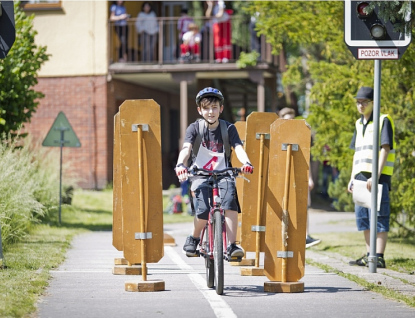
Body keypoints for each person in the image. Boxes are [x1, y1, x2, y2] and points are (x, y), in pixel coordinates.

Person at [175, 87, 254, 258]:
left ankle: (232, 245)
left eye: (214, 107)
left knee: (230, 204)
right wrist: (180, 164)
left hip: (224, 173)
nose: (211, 112)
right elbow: (186, 149)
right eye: (206, 108)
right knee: (202, 211)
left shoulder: (229, 129)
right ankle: (194, 238)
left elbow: (238, 148)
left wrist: (246, 162)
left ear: (221, 109)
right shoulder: (195, 128)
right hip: (199, 174)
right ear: (200, 110)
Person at [348, 87, 395, 269]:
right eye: (358, 102)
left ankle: (379, 256)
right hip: (360, 177)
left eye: (364, 102)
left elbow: (385, 148)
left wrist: (375, 176)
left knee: (380, 216)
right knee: (364, 218)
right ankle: (369, 255)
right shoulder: (358, 124)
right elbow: (356, 153)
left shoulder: (383, 120)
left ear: (373, 103)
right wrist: (352, 178)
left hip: (377, 178)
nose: (361, 105)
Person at [278, 107, 321, 248]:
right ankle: (282, 235)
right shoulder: (277, 133)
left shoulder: (299, 134)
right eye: (286, 118)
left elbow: (304, 157)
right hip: (281, 175)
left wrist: (309, 178)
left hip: (298, 174)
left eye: (292, 117)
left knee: (303, 205)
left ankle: (305, 236)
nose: (290, 120)